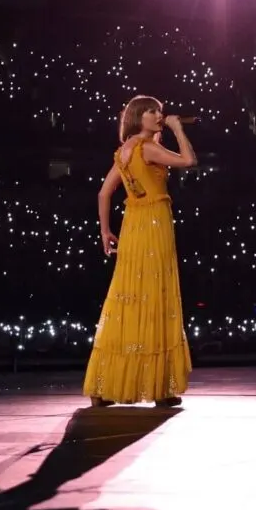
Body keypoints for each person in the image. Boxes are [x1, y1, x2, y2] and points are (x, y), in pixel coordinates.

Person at [83, 95, 197, 407]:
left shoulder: (125, 150)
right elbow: (189, 161)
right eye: (152, 111)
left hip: (132, 225)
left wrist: (105, 231)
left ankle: (105, 387)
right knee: (154, 297)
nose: (159, 114)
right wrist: (177, 129)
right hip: (153, 225)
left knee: (128, 299)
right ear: (138, 117)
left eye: (160, 111)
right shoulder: (148, 148)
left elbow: (104, 192)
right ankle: (157, 387)